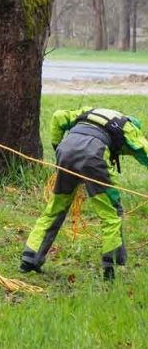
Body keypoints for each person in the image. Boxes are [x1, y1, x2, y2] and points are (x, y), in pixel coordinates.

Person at [20, 107, 148, 281]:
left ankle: (30, 257)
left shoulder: (90, 112)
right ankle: (112, 267)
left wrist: (58, 147)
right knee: (111, 212)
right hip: (95, 154)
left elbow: (58, 116)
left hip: (66, 150)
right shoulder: (129, 128)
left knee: (56, 208)